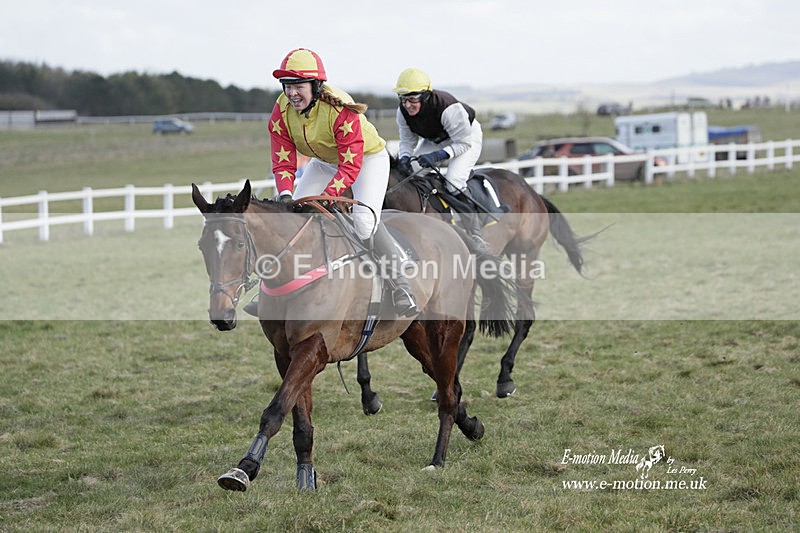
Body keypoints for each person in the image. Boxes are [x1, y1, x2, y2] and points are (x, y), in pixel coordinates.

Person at [245, 48, 418, 318]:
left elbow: (350, 165)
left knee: (363, 222)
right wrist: (286, 194)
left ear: (315, 86)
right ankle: (273, 289)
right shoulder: (281, 109)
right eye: (287, 86)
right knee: (294, 217)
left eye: (298, 86)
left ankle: (401, 283)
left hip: (367, 160)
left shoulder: (339, 108)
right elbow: (283, 159)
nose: (292, 93)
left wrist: (327, 198)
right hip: (325, 162)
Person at [392, 68, 488, 247]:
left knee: (454, 179)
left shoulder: (448, 107)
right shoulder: (402, 112)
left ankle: (475, 231)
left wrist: (438, 155)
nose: (407, 105)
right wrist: (404, 159)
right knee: (409, 173)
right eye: (403, 99)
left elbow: (463, 143)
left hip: (466, 137)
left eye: (412, 99)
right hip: (437, 139)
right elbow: (407, 141)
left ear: (425, 96)